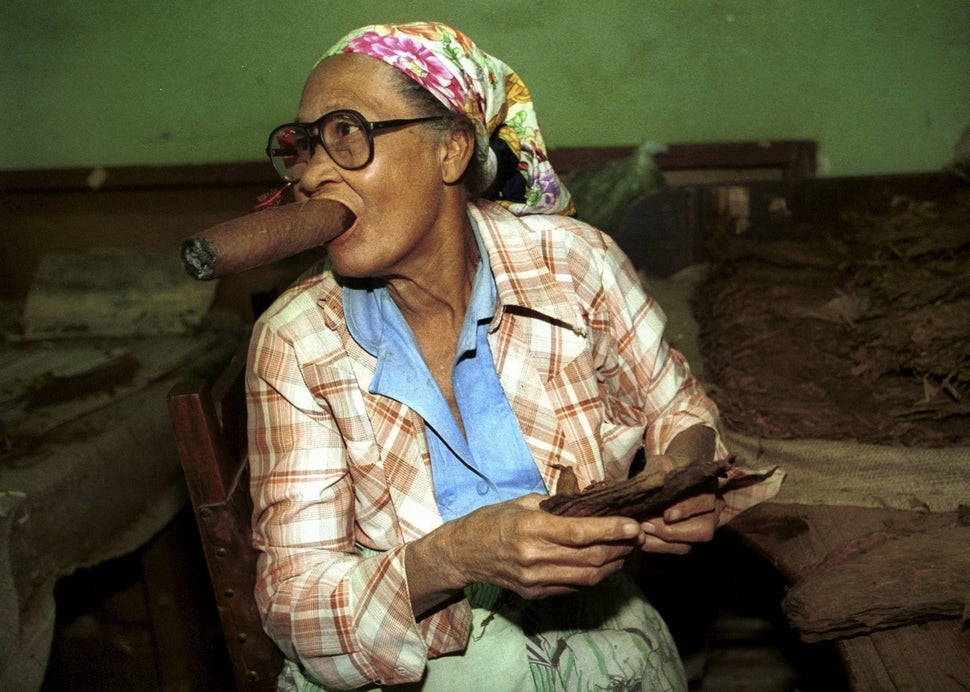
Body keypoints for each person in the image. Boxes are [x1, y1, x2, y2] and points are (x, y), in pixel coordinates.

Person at [247, 21, 780, 691]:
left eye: (348, 135)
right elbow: (294, 604)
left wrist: (682, 473)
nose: (313, 173)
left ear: (451, 150)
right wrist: (449, 559)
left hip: (596, 637)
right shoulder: (295, 341)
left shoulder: (575, 264)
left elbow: (678, 406)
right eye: (301, 147)